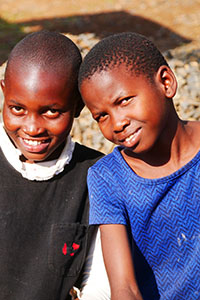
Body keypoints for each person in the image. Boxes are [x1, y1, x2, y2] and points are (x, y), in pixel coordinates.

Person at [0, 31, 111, 300]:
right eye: (17, 108)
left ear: (77, 106)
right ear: (4, 92)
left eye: (51, 111)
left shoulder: (96, 174)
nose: (32, 127)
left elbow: (97, 283)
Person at [78, 32, 200, 299]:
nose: (117, 123)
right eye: (101, 116)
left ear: (166, 83)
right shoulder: (108, 178)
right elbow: (125, 287)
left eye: (123, 101)